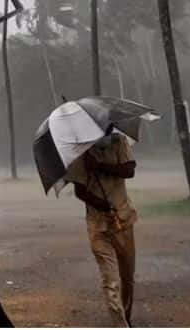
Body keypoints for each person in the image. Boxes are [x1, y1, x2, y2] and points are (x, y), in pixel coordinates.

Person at [69, 130, 138, 327]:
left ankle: (126, 315)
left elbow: (129, 170)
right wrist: (102, 205)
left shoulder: (119, 141)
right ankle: (120, 324)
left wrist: (98, 166)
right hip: (97, 225)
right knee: (110, 279)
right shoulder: (80, 152)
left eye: (108, 129)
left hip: (123, 219)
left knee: (127, 277)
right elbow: (79, 191)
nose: (106, 133)